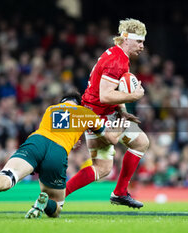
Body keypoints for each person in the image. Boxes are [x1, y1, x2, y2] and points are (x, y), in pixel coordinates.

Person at [0, 92, 123, 219]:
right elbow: (111, 139)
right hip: (58, 151)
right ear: (79, 104)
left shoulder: (51, 109)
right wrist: (123, 122)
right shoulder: (86, 114)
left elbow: (60, 126)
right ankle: (44, 202)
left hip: (36, 142)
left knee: (5, 178)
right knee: (56, 208)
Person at [65, 18, 149, 208]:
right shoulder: (117, 62)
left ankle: (59, 195)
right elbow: (105, 95)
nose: (142, 46)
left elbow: (111, 91)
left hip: (94, 113)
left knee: (102, 169)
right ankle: (119, 192)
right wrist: (132, 96)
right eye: (139, 41)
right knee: (140, 143)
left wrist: (124, 111)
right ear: (126, 39)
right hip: (100, 116)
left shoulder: (116, 55)